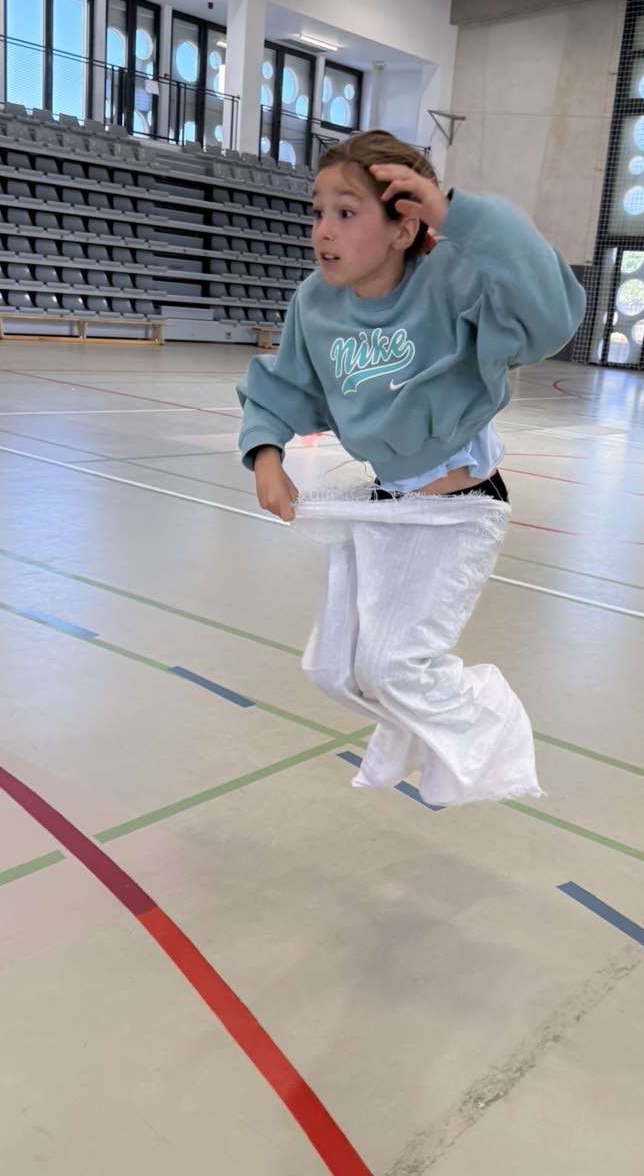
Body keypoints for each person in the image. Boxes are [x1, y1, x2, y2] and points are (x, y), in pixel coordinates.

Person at [237, 130, 585, 805]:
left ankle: (493, 722)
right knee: (332, 670)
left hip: (460, 508)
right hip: (389, 504)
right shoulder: (316, 303)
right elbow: (283, 387)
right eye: (318, 211)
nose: (323, 231)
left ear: (403, 228)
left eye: (347, 212)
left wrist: (458, 215)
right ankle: (412, 737)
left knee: (396, 667)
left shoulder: (456, 280)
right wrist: (266, 454)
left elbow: (551, 314)